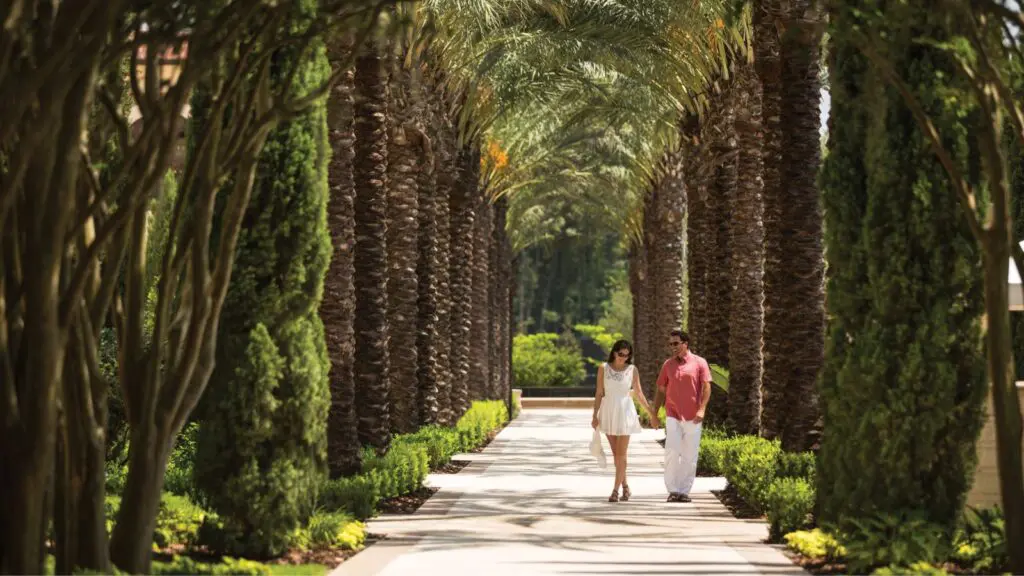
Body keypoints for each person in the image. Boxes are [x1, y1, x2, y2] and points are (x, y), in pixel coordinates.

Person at [591, 339, 658, 502]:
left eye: (627, 356)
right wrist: (595, 415)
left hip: (625, 412)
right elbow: (599, 392)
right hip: (608, 412)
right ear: (614, 352)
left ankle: (615, 490)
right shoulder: (603, 369)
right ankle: (626, 487)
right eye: (621, 354)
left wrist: (652, 414)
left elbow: (639, 394)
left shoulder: (632, 370)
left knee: (621, 454)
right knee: (616, 455)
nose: (624, 358)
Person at [653, 330, 711, 503]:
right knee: (671, 451)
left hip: (693, 416)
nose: (673, 347)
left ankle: (684, 491)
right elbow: (661, 389)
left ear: (685, 343)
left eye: (676, 343)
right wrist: (654, 414)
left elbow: (706, 387)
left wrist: (702, 409)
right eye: (670, 344)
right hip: (673, 414)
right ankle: (673, 490)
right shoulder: (668, 365)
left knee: (689, 454)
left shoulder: (700, 363)